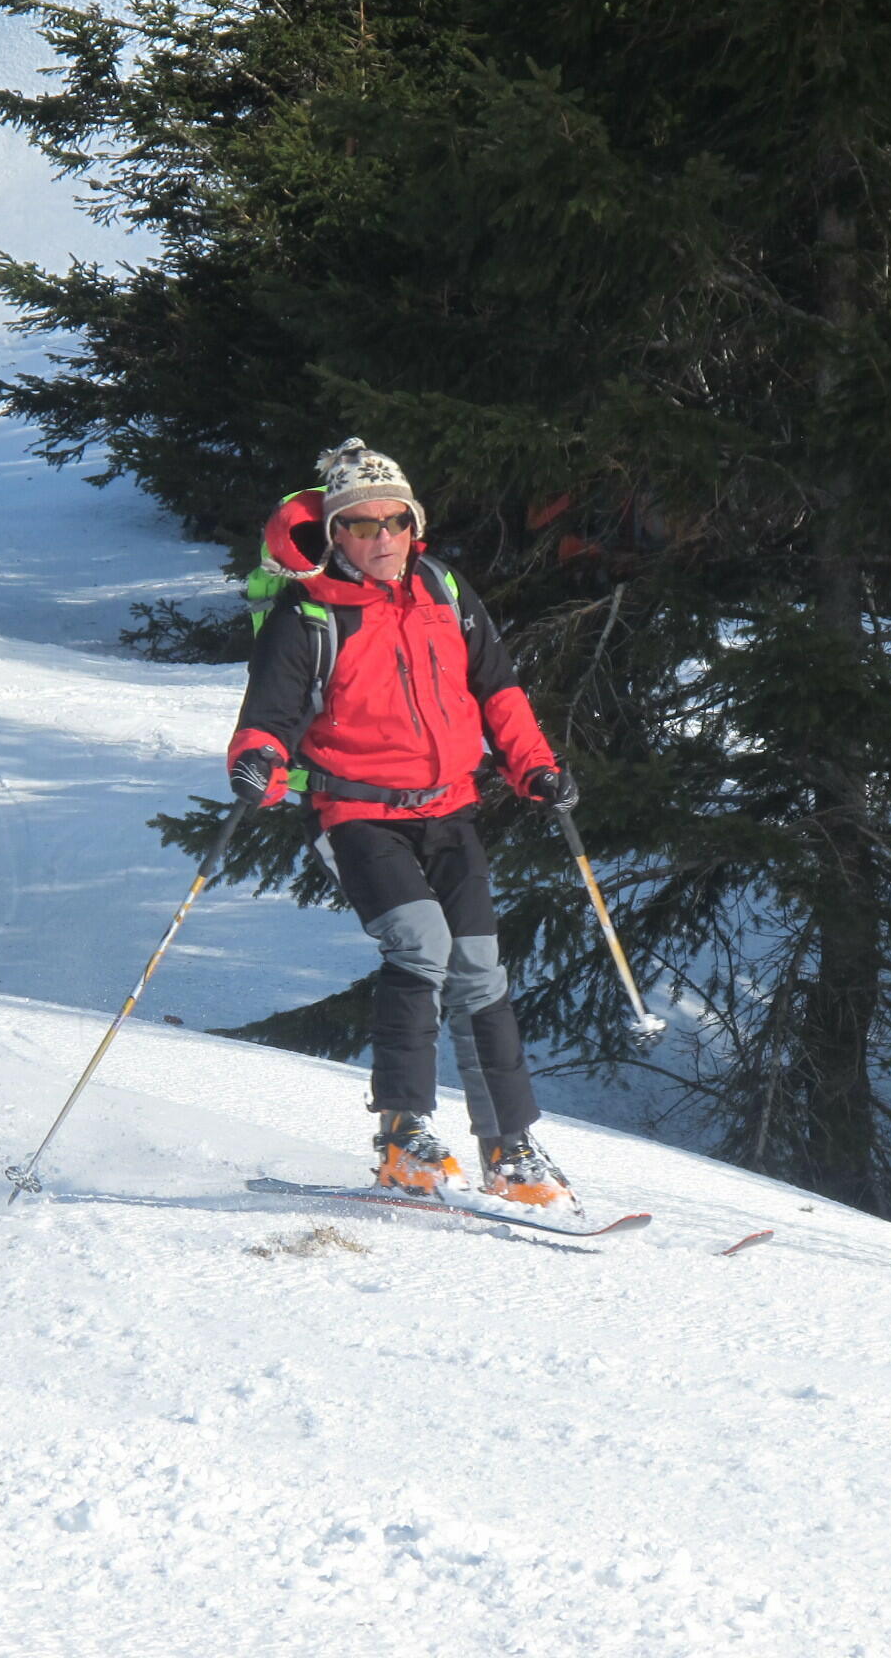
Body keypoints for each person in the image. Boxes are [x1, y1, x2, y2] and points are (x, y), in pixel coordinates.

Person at [226, 438, 583, 1209]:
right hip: (355, 812)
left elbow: (498, 688)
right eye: (362, 524)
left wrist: (534, 766)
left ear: (414, 524)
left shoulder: (443, 588)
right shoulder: (309, 613)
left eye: (396, 520)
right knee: (421, 945)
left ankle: (510, 1150)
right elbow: (270, 715)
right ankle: (402, 1137)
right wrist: (256, 761)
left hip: (448, 808)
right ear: (337, 534)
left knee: (480, 967)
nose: (382, 537)